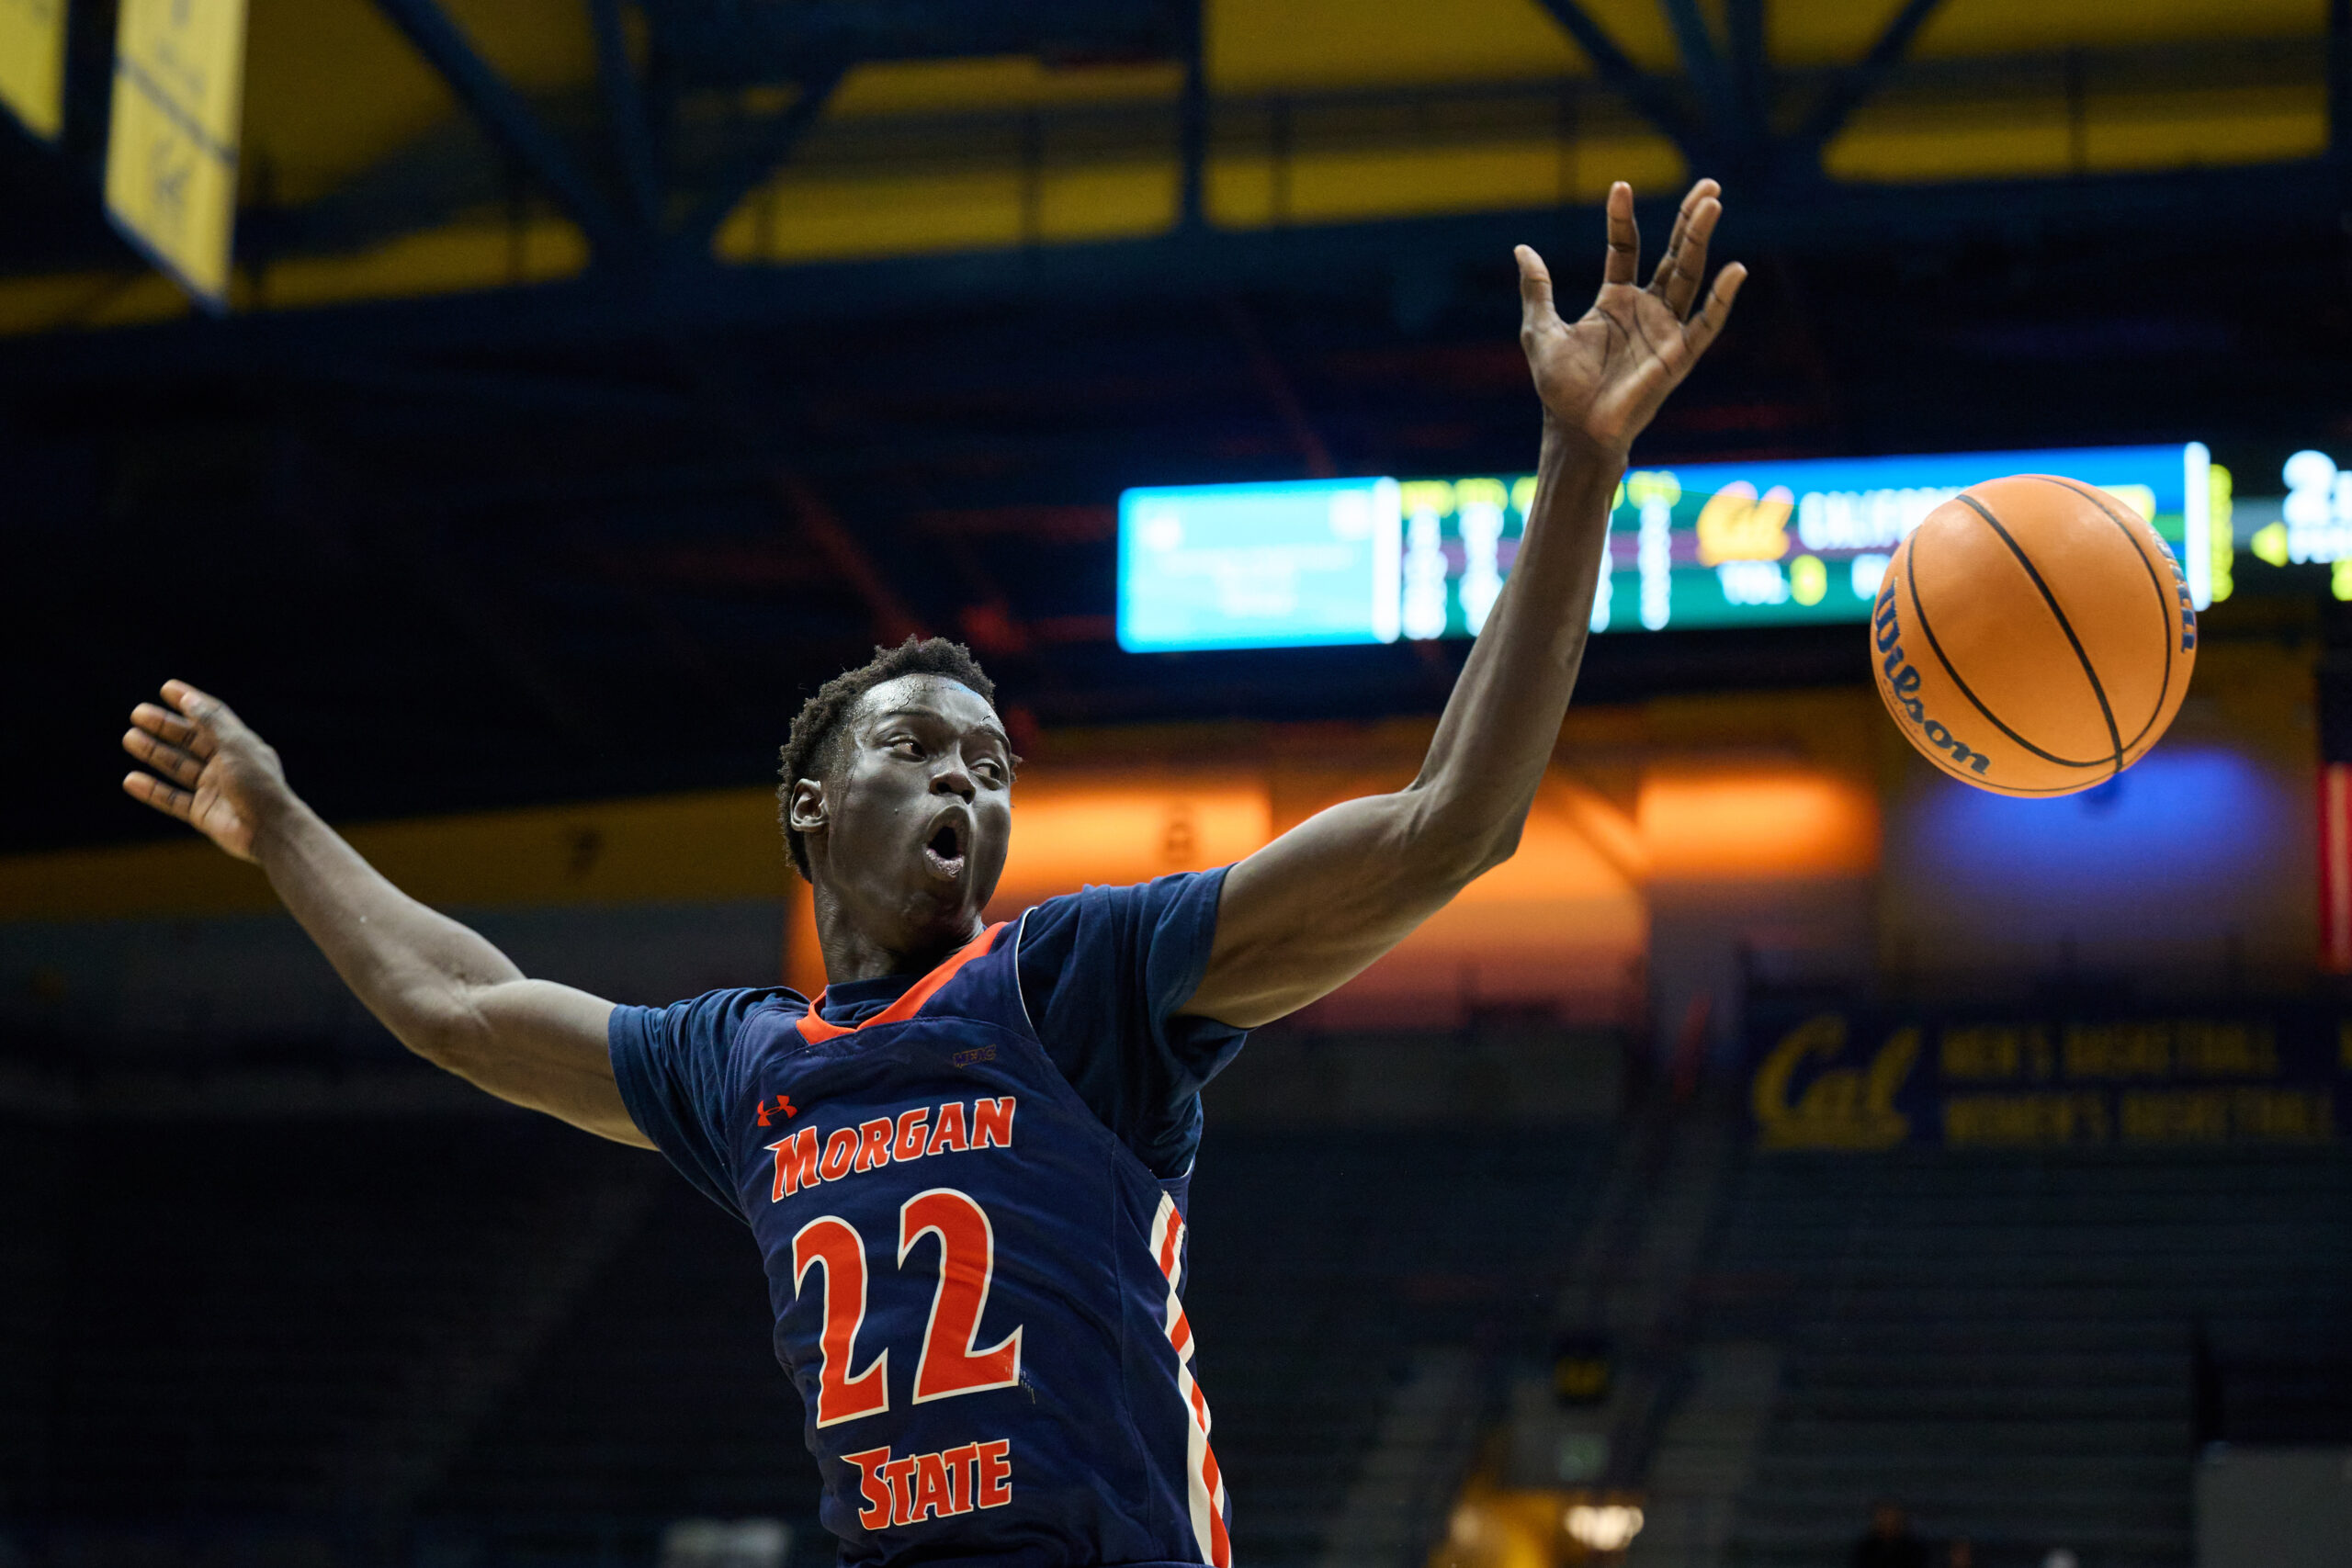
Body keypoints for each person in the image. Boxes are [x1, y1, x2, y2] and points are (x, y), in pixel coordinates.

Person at [116, 180, 1744, 1568]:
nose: (967, 772)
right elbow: (457, 1002)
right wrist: (279, 824)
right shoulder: (744, 1065)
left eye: (990, 759)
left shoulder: (1074, 984)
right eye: (918, 746)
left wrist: (1580, 457)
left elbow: (1451, 820)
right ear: (811, 810)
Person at [1851, 1500, 1931, 1568]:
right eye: (1884, 1518)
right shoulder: (1865, 1550)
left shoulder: (1915, 1550)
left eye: (1893, 1518)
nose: (1888, 1522)